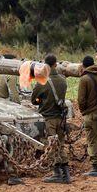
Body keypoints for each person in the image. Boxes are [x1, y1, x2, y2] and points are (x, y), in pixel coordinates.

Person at [31, 54, 69, 183]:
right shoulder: (63, 80)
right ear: (55, 64)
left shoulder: (42, 81)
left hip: (48, 118)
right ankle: (66, 175)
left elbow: (33, 100)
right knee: (61, 145)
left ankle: (57, 174)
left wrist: (41, 100)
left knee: (51, 146)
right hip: (61, 118)